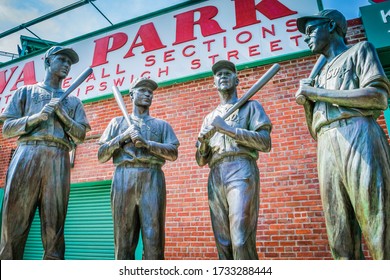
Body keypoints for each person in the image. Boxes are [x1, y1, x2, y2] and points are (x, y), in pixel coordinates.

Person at [296, 9, 390, 260]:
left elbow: (378, 97)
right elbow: (314, 128)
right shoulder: (319, 72)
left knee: (376, 220)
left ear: (330, 25)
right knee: (338, 230)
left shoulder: (360, 51)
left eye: (311, 30)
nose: (307, 38)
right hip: (326, 142)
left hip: (359, 132)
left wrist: (316, 94)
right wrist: (308, 101)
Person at [0, 46, 91, 260]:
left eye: (70, 62)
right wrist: (37, 117)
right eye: (62, 59)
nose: (67, 65)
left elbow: (80, 136)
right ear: (47, 61)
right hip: (27, 154)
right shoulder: (25, 92)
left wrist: (62, 116)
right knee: (14, 224)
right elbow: (7, 130)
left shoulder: (74, 102)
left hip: (58, 157)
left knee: (54, 228)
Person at [195, 60, 272, 260]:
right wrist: (203, 142)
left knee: (240, 238)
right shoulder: (209, 117)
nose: (223, 76)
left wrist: (227, 128)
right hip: (216, 173)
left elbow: (265, 142)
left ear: (237, 80)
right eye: (218, 74)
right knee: (224, 242)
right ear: (214, 83)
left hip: (241, 168)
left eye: (227, 73)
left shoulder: (251, 107)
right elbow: (201, 161)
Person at [97, 77, 179, 260]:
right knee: (123, 237)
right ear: (131, 94)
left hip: (152, 177)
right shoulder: (117, 123)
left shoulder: (161, 125)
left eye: (150, 92)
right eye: (142, 90)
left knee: (154, 237)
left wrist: (148, 144)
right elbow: (101, 154)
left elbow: (173, 153)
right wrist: (123, 137)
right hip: (123, 177)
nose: (148, 94)